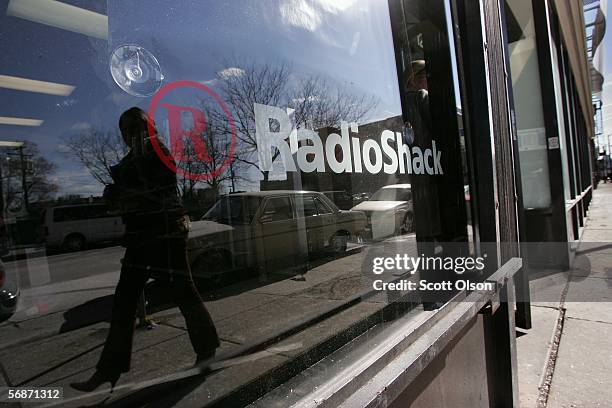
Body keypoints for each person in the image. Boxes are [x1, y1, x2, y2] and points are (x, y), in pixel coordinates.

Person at [71, 107, 219, 393]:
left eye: (133, 129)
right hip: (141, 237)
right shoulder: (132, 160)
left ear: (146, 128)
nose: (128, 135)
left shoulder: (158, 152)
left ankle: (207, 350)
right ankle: (108, 370)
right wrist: (115, 196)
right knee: (125, 300)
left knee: (183, 292)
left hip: (165, 236)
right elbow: (130, 198)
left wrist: (122, 194)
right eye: (124, 131)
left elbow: (160, 192)